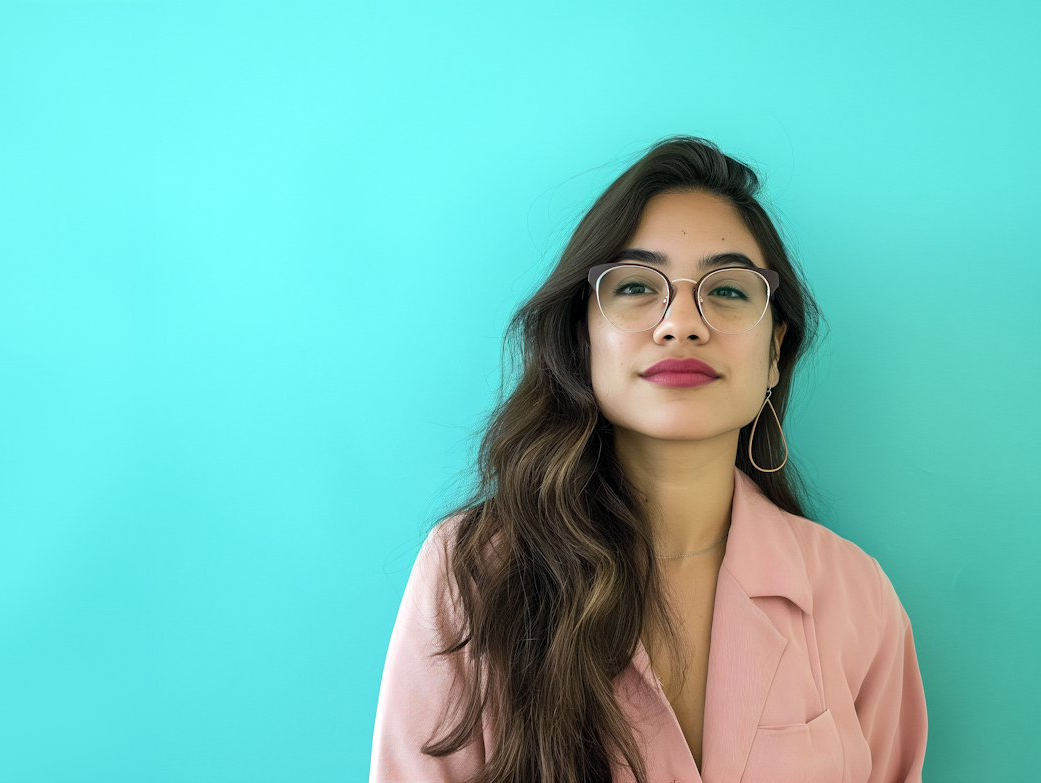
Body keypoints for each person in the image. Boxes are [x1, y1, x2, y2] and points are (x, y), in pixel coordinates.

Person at [368, 136, 927, 783]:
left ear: (775, 351)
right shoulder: (473, 572)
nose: (681, 322)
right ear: (583, 338)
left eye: (728, 291)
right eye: (636, 285)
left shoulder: (858, 598)